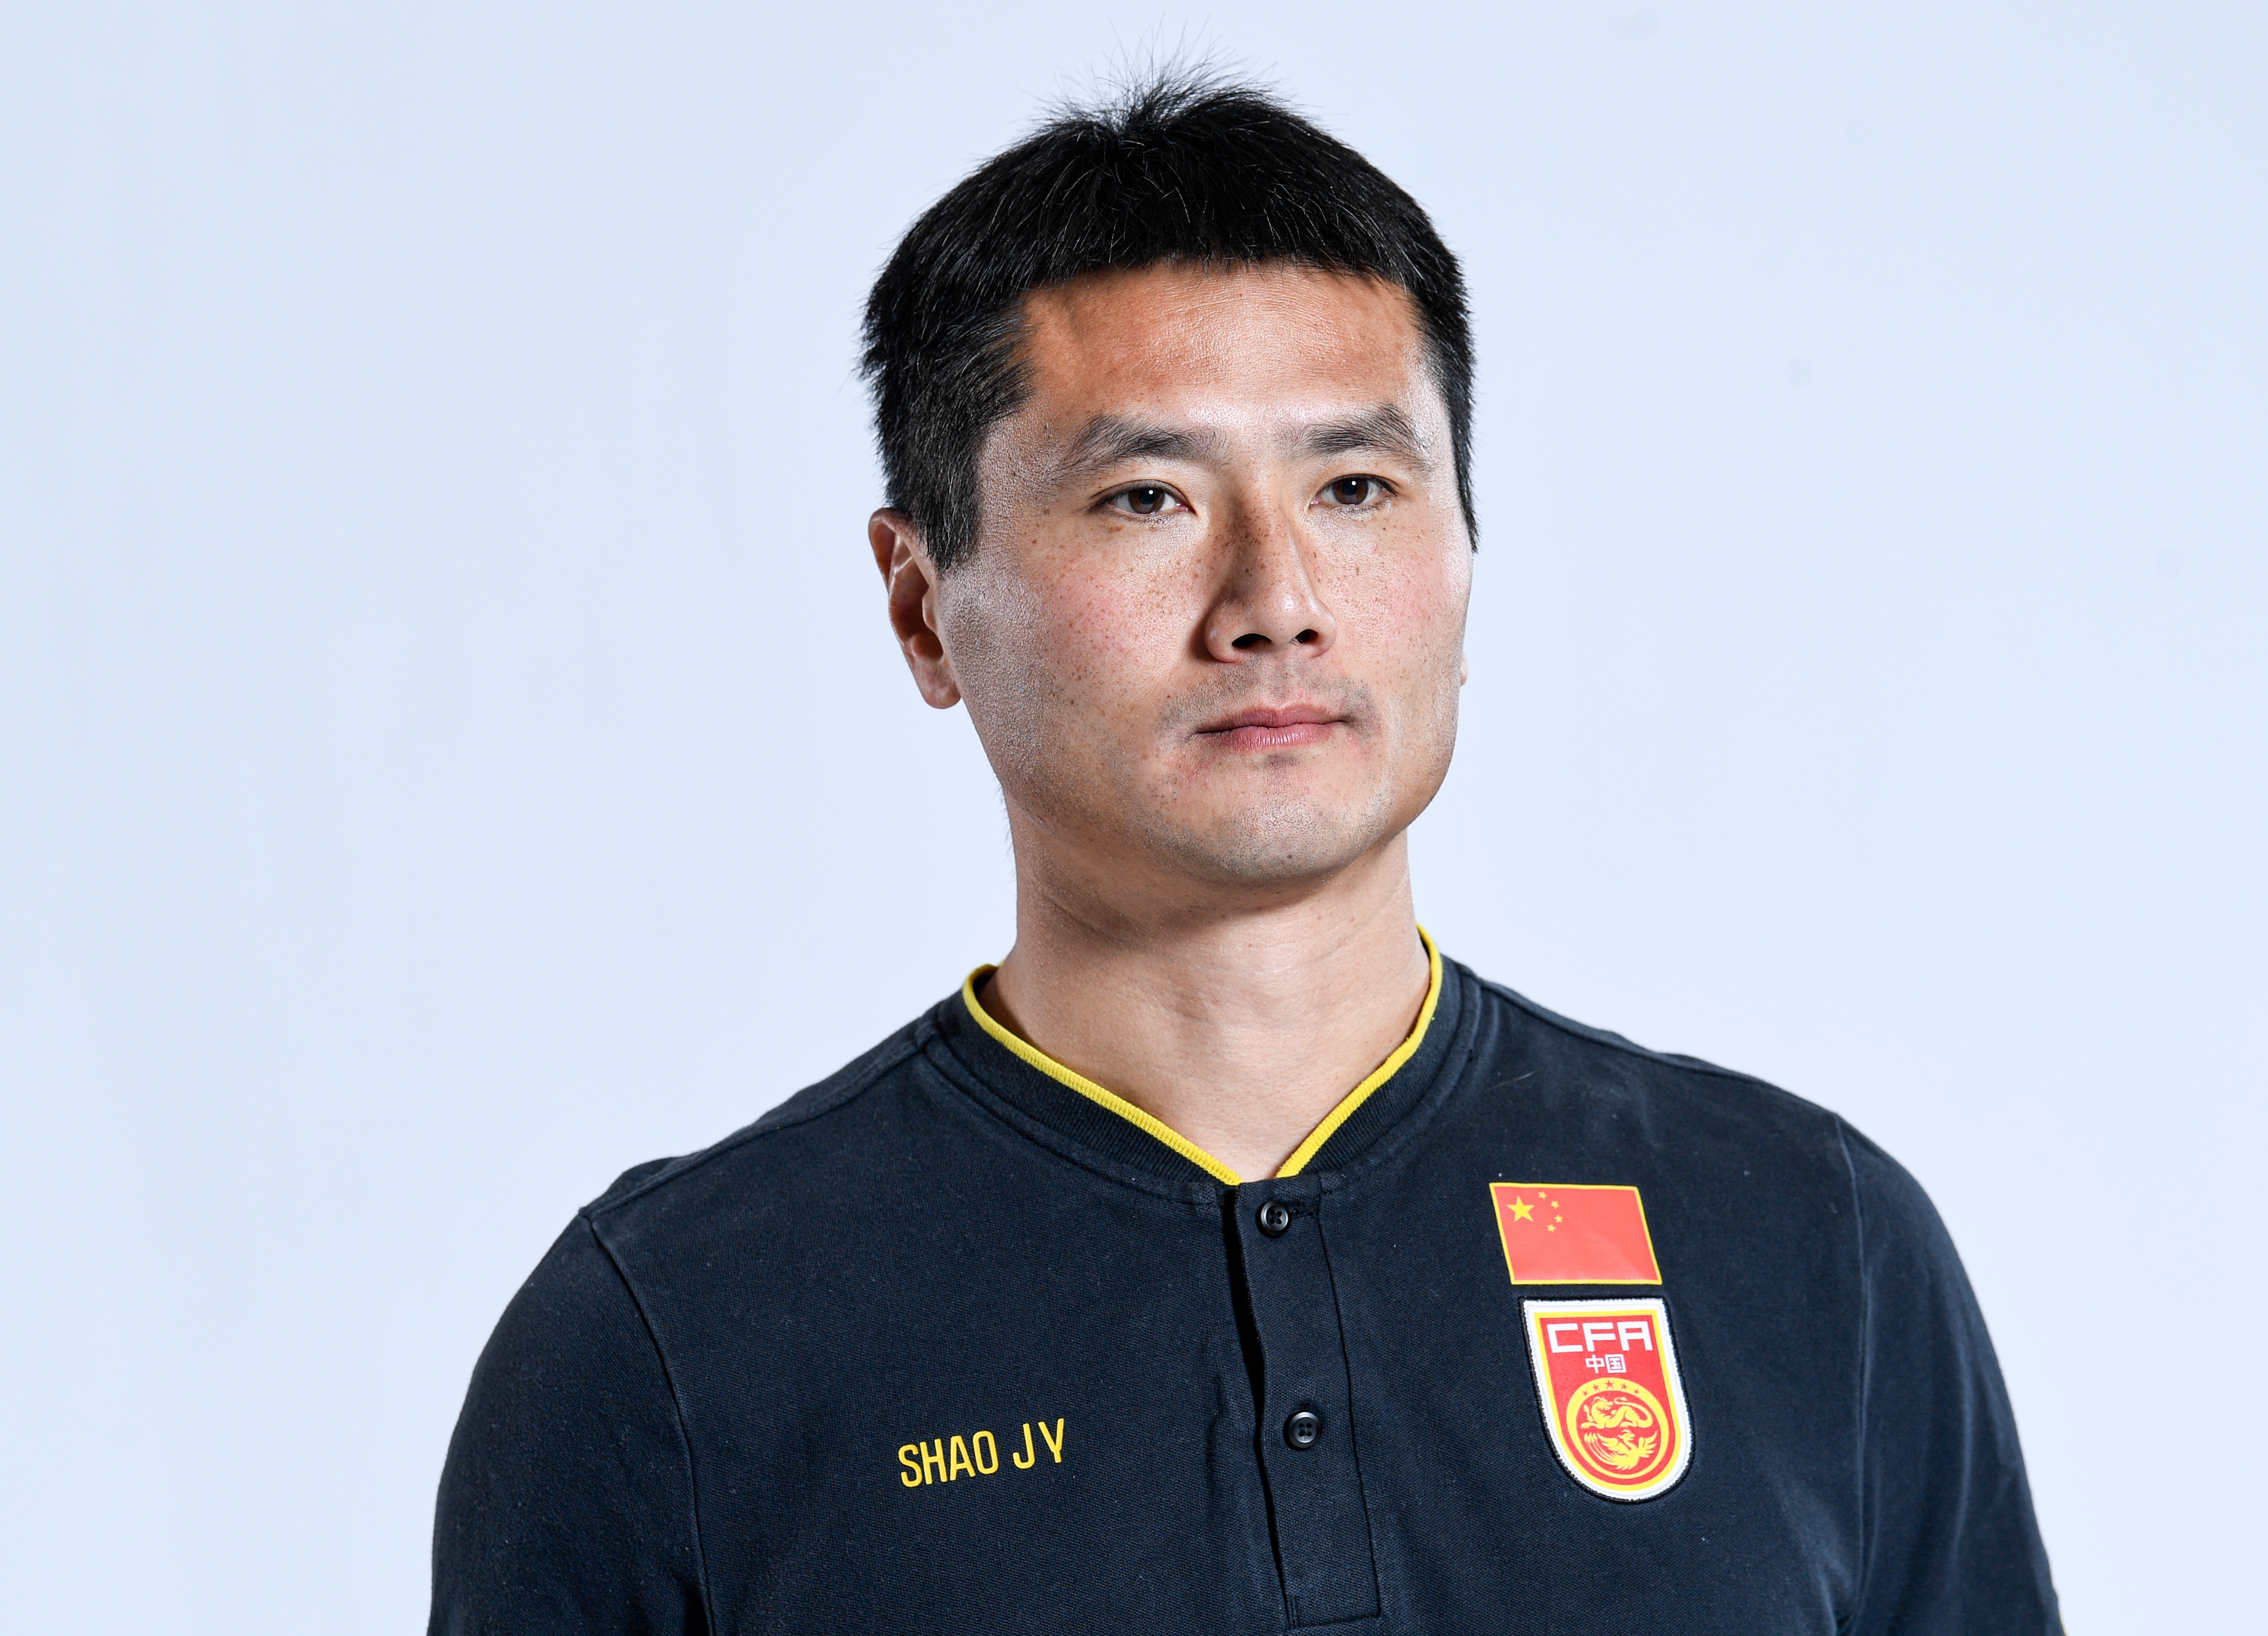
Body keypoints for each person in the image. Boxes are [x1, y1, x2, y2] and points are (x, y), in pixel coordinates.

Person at [429, 74, 2060, 1635]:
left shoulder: (1813, 1244)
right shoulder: (673, 1332)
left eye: (1356, 485)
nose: (1277, 601)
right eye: (1149, 498)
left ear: (1467, 548)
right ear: (922, 607)